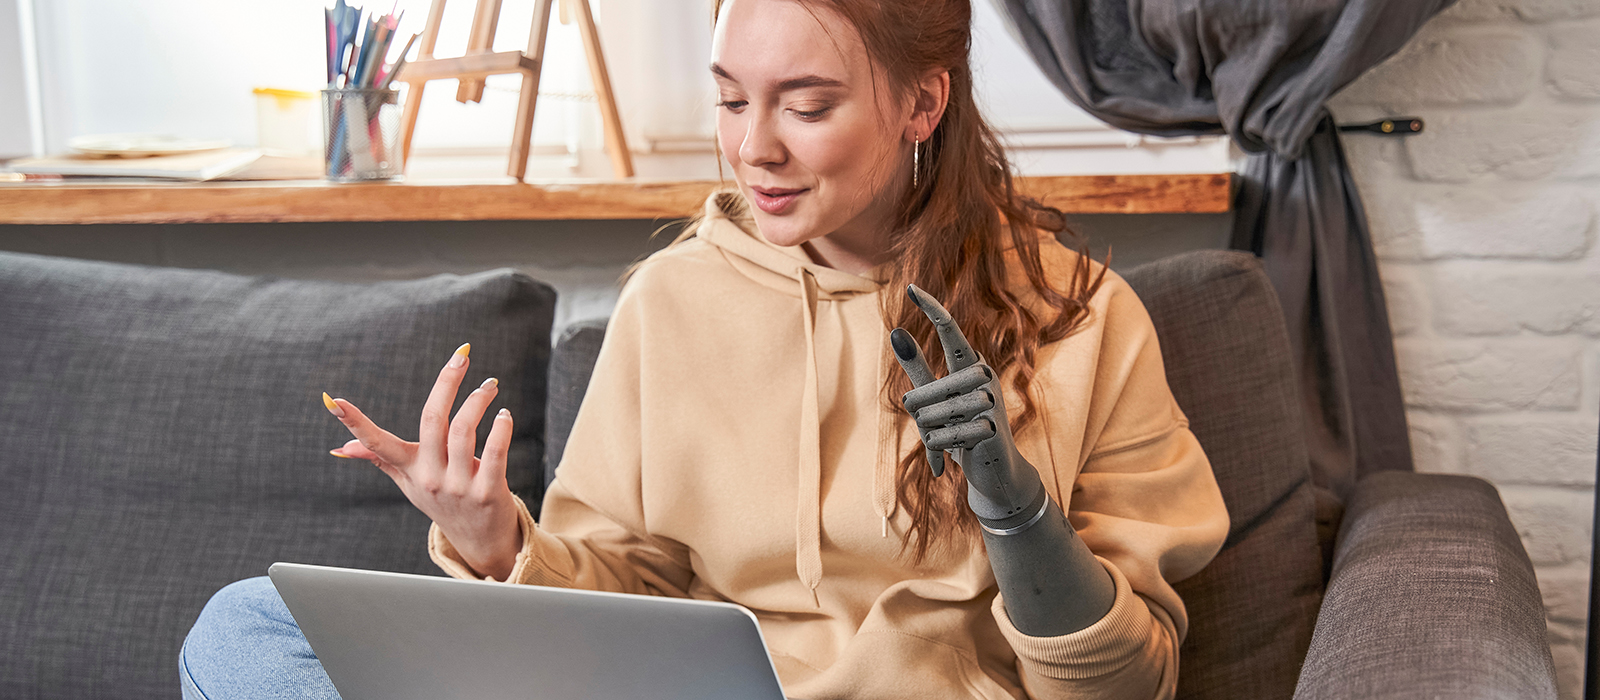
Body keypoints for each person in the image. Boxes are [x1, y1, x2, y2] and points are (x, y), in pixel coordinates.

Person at [178, 0, 1229, 698]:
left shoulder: (1079, 316)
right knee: (248, 629)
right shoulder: (676, 296)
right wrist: (495, 537)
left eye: (805, 106)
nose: (753, 147)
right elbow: (617, 600)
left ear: (923, 101)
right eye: (731, 99)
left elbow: (1125, 681)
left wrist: (1015, 510)